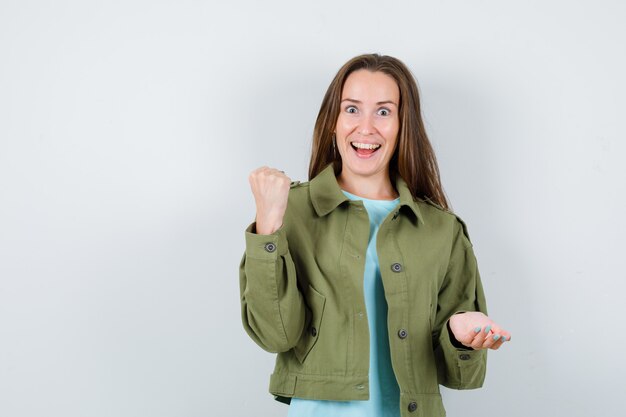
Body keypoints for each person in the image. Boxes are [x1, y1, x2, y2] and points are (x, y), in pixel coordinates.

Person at [239, 53, 511, 417]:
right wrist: (268, 225)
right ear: (332, 121)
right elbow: (276, 335)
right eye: (352, 109)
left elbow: (459, 375)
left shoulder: (442, 230)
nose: (365, 128)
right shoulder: (291, 211)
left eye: (383, 111)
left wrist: (458, 336)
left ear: (402, 125)